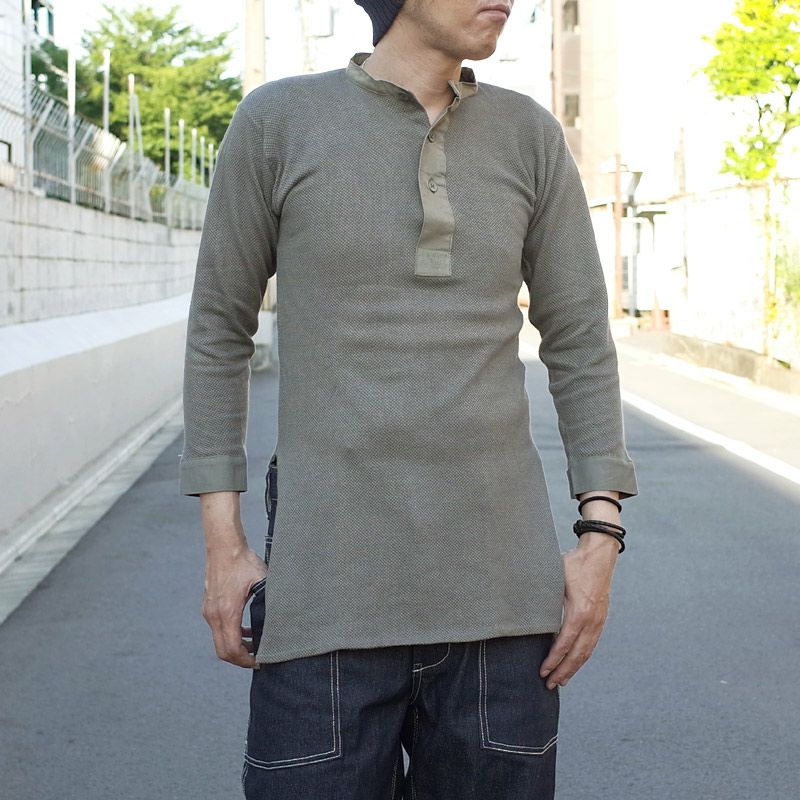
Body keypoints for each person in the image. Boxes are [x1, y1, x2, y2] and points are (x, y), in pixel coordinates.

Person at [179, 0, 639, 797]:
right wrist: (225, 545)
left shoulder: (529, 134)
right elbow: (220, 329)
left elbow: (580, 339)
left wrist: (601, 533)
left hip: (504, 610)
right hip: (323, 602)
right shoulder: (278, 122)